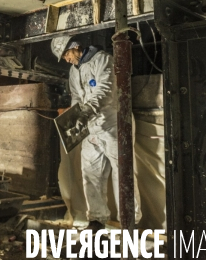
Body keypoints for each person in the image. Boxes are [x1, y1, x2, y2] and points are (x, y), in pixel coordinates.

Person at [51, 36, 141, 230]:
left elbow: (106, 90)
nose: (66, 59)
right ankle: (97, 219)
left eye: (66, 54)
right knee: (90, 173)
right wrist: (74, 114)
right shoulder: (74, 71)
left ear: (75, 47)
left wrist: (86, 112)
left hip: (114, 125)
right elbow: (76, 96)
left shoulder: (103, 60)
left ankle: (130, 221)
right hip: (90, 129)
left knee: (122, 173)